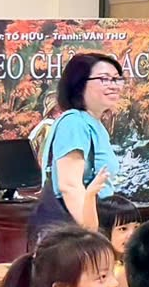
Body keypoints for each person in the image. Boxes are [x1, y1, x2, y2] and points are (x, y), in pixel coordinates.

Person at [30, 50, 128, 243]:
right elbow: (70, 185)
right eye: (104, 79)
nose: (113, 85)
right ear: (79, 84)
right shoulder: (74, 122)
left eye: (117, 79)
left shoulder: (94, 124)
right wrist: (92, 234)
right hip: (76, 234)